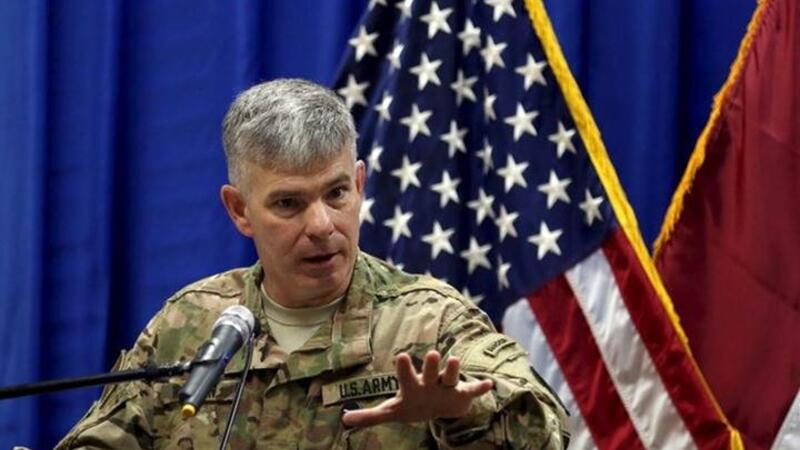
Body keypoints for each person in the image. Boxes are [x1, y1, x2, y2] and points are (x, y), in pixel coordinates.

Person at [56, 79, 570, 449]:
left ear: (360, 185)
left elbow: (546, 431)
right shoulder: (191, 323)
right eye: (289, 203)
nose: (322, 224)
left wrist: (465, 410)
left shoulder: (430, 322)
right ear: (240, 210)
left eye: (337, 193)